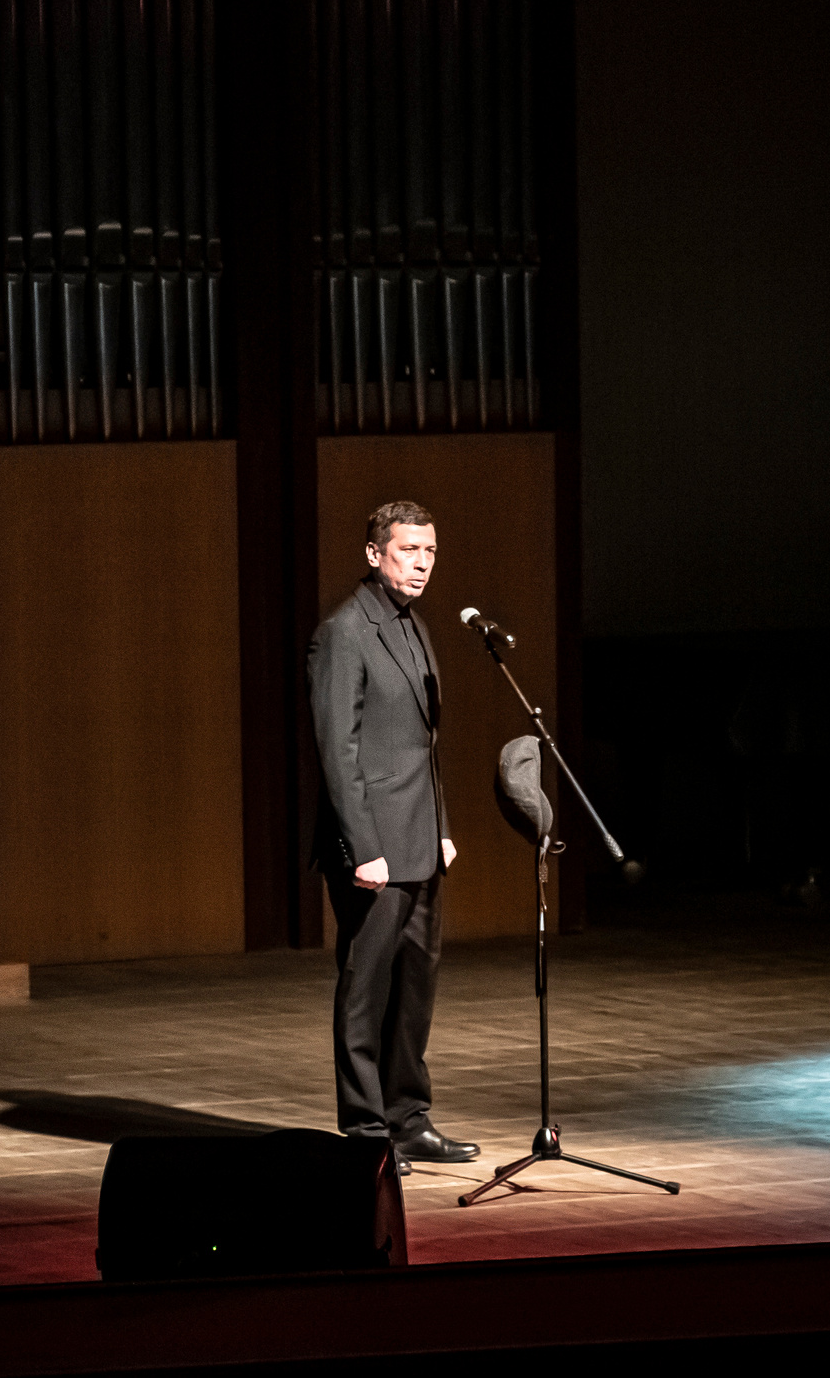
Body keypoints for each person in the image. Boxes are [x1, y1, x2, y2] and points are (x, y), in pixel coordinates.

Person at [307, 499, 478, 1175]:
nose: (422, 563)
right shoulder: (344, 631)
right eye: (409, 550)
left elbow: (420, 746)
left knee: (415, 988)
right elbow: (337, 751)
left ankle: (409, 1116)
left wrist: (440, 830)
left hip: (419, 841)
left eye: (430, 552)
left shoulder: (414, 626)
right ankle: (366, 1128)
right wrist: (363, 846)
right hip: (373, 847)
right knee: (365, 988)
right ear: (375, 553)